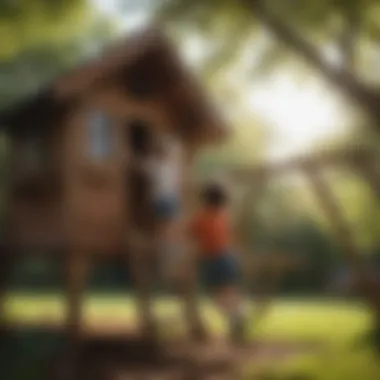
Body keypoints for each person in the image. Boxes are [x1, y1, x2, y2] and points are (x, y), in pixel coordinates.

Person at [190, 181, 246, 342]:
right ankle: (237, 317)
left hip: (213, 259)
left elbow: (192, 233)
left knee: (215, 293)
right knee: (229, 292)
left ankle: (236, 318)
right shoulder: (222, 216)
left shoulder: (202, 217)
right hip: (225, 257)